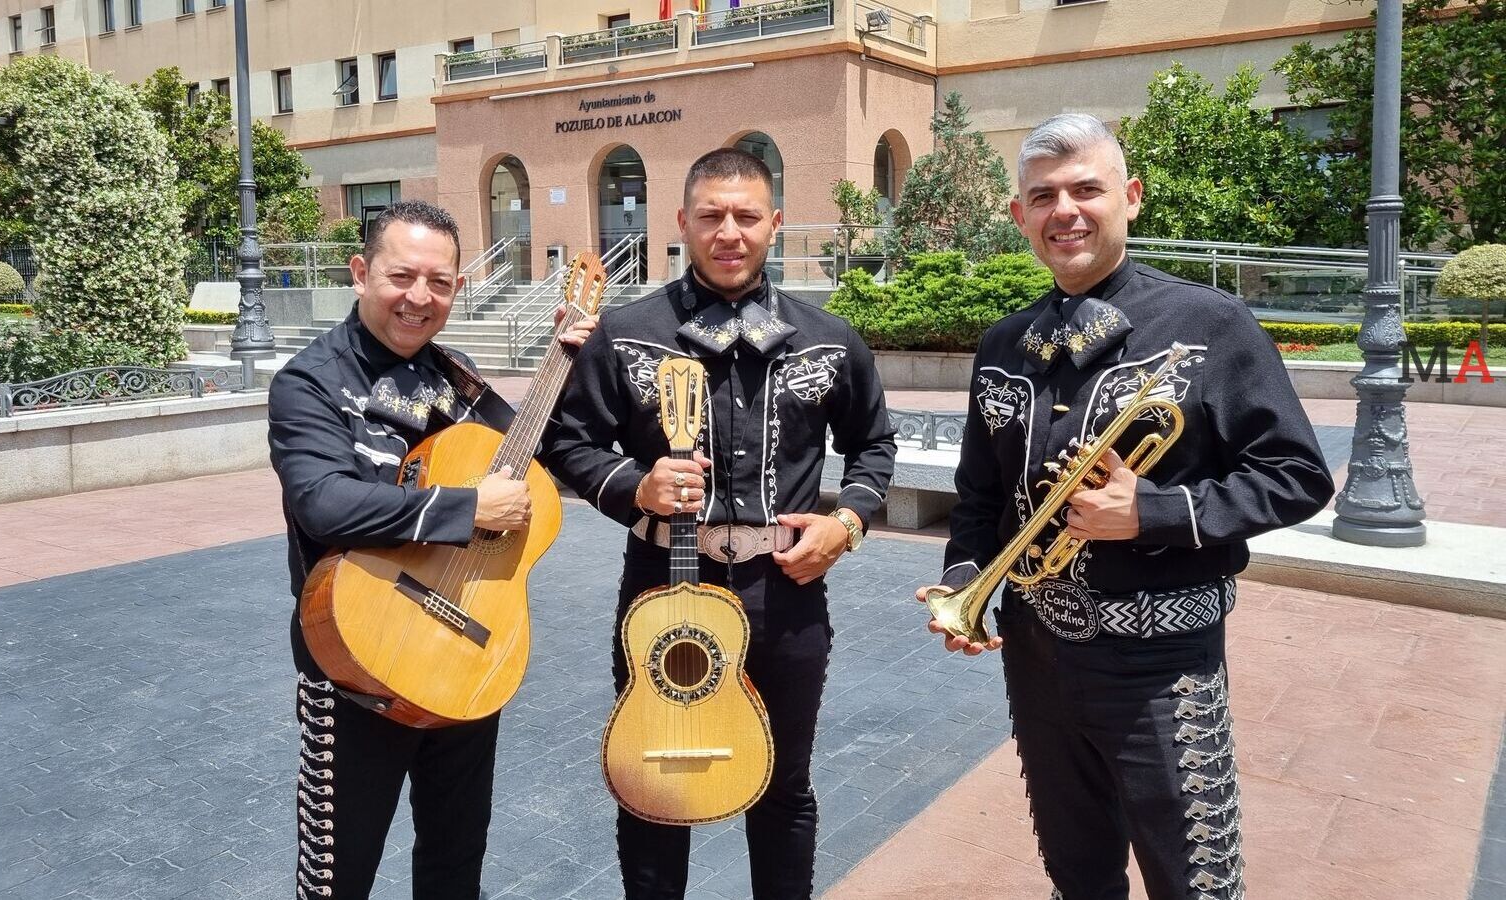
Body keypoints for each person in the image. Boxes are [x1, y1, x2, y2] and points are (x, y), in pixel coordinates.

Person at [916, 114, 1335, 900]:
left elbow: (1298, 475)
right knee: (1077, 871)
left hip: (1161, 662)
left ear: (1131, 198)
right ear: (1019, 216)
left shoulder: (1211, 326)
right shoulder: (1004, 343)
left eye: (1087, 189)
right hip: (1036, 654)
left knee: (1196, 880)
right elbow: (978, 493)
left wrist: (1156, 512)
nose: (1064, 211)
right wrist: (963, 581)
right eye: (1043, 196)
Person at [543, 148, 897, 899]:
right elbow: (566, 441)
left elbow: (875, 445)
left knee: (783, 784)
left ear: (773, 224)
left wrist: (849, 524)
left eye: (745, 216)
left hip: (788, 591)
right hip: (660, 587)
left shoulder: (830, 339)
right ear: (681, 224)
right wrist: (636, 486)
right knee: (653, 782)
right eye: (710, 216)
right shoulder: (629, 332)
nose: (728, 232)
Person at [267, 199, 596, 900]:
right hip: (359, 667)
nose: (419, 298)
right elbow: (321, 502)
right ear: (361, 272)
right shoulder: (312, 382)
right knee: (337, 875)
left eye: (440, 282)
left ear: (458, 288)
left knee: (455, 862)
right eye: (401, 276)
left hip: (465, 658)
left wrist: (567, 362)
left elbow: (535, 453)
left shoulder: (457, 376)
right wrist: (466, 507)